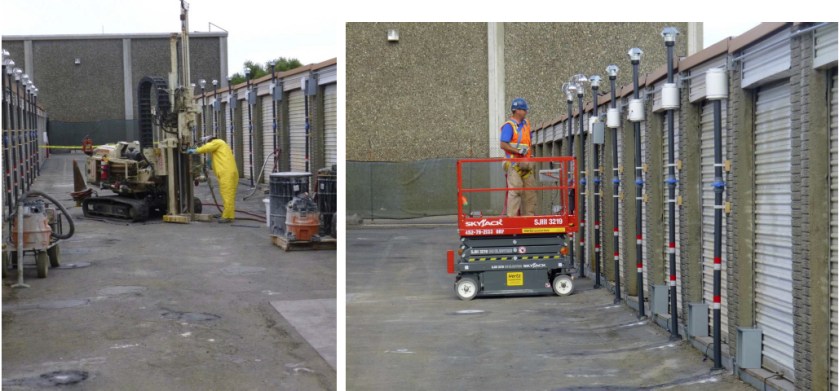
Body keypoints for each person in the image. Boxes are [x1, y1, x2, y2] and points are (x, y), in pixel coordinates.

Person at [187, 136, 238, 223]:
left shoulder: (217, 142)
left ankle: (227, 217)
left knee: (227, 195)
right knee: (229, 195)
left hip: (226, 173)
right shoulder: (222, 145)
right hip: (229, 172)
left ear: (211, 141)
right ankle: (228, 214)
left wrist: (195, 150)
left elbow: (207, 147)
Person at [500, 98, 536, 217]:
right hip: (514, 164)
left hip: (526, 163)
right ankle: (512, 219)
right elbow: (503, 144)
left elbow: (528, 143)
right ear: (517, 111)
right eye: (524, 110)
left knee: (530, 193)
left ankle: (529, 219)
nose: (526, 112)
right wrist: (518, 151)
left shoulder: (526, 124)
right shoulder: (509, 126)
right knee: (515, 191)